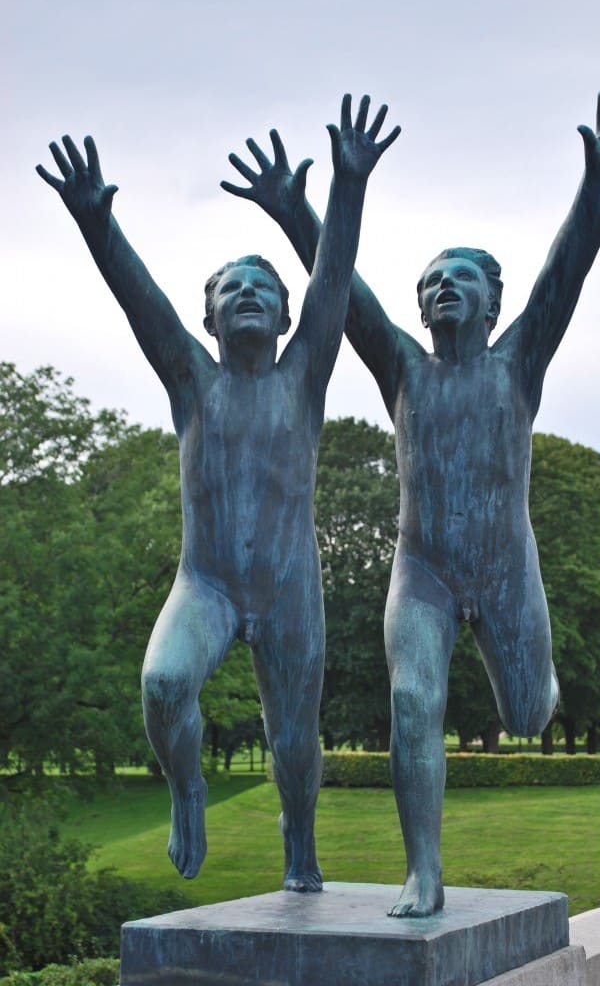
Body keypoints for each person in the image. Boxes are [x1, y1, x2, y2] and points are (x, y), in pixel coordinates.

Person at [222, 91, 600, 916]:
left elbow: (564, 273)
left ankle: (535, 684)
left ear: (492, 302)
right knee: (412, 699)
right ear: (419, 310)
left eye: (459, 279)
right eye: (428, 284)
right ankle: (422, 871)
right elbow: (343, 292)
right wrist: (294, 209)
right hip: (420, 570)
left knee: (527, 715)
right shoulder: (402, 368)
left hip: (504, 569)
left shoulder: (517, 363)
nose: (440, 289)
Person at [37, 94, 400, 889]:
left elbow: (332, 280)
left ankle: (299, 850)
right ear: (207, 319)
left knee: (293, 740)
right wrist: (97, 223)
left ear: (286, 317)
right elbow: (140, 302)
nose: (247, 297)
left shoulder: (303, 377)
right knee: (164, 684)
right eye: (231, 290)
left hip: (290, 588)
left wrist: (347, 184)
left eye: (262, 290)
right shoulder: (192, 382)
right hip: (205, 586)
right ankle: (187, 788)